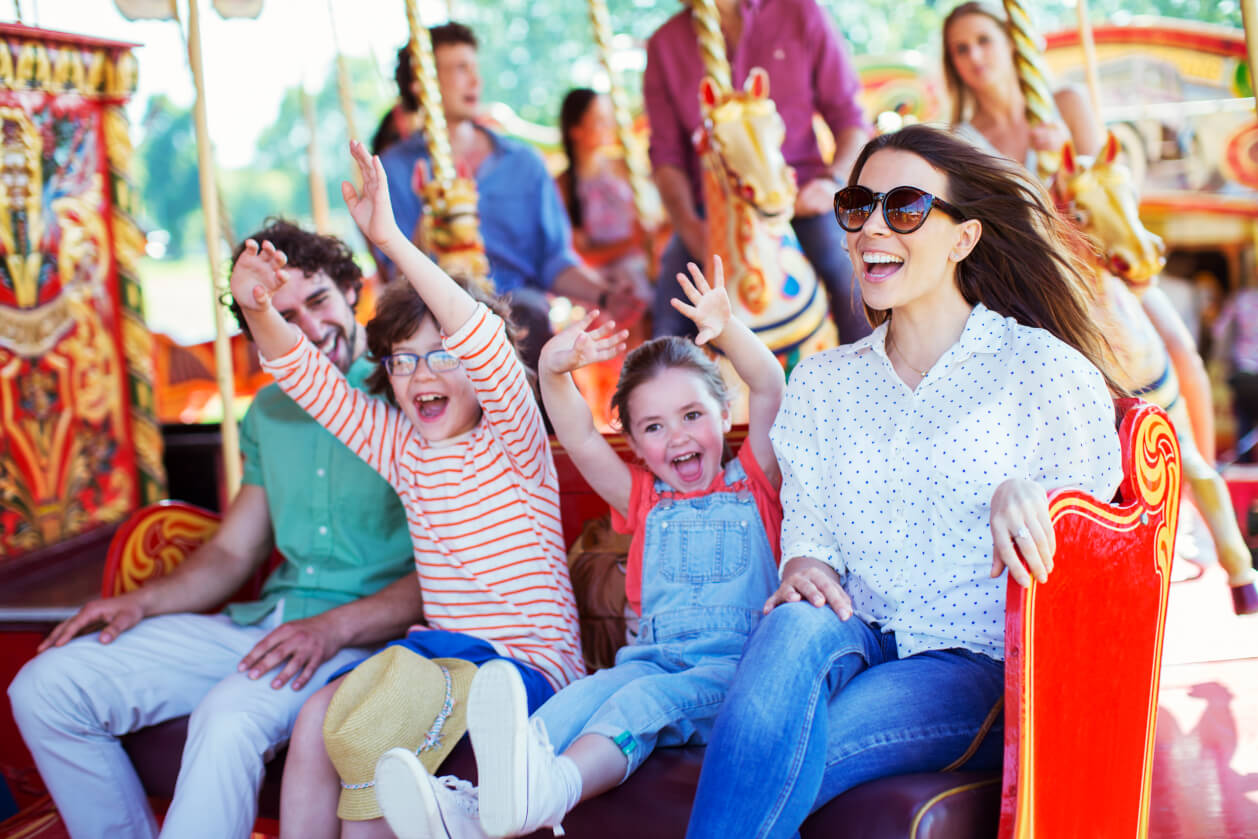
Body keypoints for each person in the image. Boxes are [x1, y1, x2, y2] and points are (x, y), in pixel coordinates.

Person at [684, 124, 1125, 837]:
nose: (872, 228)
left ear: (963, 238)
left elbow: (1098, 532)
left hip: (972, 660)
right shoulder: (824, 381)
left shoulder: (1037, 367)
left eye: (907, 207)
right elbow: (813, 531)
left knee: (793, 748)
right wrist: (803, 563)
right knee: (790, 624)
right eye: (858, 207)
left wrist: (1034, 497)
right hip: (857, 627)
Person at [7, 220, 416, 839]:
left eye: (318, 301)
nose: (306, 328)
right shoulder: (270, 411)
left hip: (368, 639)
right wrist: (139, 601)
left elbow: (448, 567)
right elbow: (231, 550)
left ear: (351, 291)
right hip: (271, 625)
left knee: (228, 717)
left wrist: (333, 627)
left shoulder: (410, 393)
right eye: (281, 314)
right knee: (48, 685)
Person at [232, 141, 584, 839]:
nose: (422, 374)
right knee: (317, 720)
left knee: (377, 731)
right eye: (402, 361)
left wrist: (390, 236)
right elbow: (308, 379)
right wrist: (259, 307)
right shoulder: (402, 448)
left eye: (442, 355)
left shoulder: (512, 438)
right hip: (438, 659)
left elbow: (481, 339)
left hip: (523, 668)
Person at [371, 254, 786, 839]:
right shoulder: (642, 499)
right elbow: (580, 434)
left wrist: (730, 329)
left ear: (725, 414)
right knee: (576, 701)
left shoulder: (755, 479)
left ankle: (554, 791)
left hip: (733, 671)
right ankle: (478, 808)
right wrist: (552, 368)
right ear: (637, 445)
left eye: (693, 414)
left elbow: (769, 383)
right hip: (646, 659)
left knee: (638, 708)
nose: (679, 436)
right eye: (654, 426)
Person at [942, 0, 1217, 461]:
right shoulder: (963, 140)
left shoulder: (1064, 104)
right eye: (961, 50)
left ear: (1011, 43)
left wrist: (1066, 155)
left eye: (983, 41)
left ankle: (1208, 476)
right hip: (1033, 281)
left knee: (1181, 350)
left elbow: (1110, 183)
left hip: (1099, 265)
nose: (975, 57)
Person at [380, 24, 638, 367]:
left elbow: (554, 261)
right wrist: (431, 214)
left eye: (474, 67)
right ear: (421, 82)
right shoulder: (393, 170)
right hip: (434, 317)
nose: (475, 80)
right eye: (460, 69)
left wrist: (605, 294)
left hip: (518, 310)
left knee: (531, 330)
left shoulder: (524, 163)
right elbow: (394, 276)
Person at [643, 0, 872, 343]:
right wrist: (688, 223)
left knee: (847, 275)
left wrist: (834, 184)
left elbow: (850, 119)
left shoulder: (799, 12)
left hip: (797, 196)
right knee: (668, 321)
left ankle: (874, 378)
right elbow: (666, 156)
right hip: (715, 210)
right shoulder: (665, 44)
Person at [556, 88, 651, 308]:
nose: (609, 127)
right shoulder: (564, 186)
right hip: (602, 273)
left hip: (638, 265)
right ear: (576, 130)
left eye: (609, 120)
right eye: (600, 121)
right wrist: (629, 244)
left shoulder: (625, 167)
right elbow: (578, 254)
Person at [1213, 281, 1258, 462]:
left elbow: (1219, 331)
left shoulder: (1241, 300)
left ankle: (1244, 463)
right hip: (1246, 372)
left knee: (1244, 421)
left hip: (1243, 371)